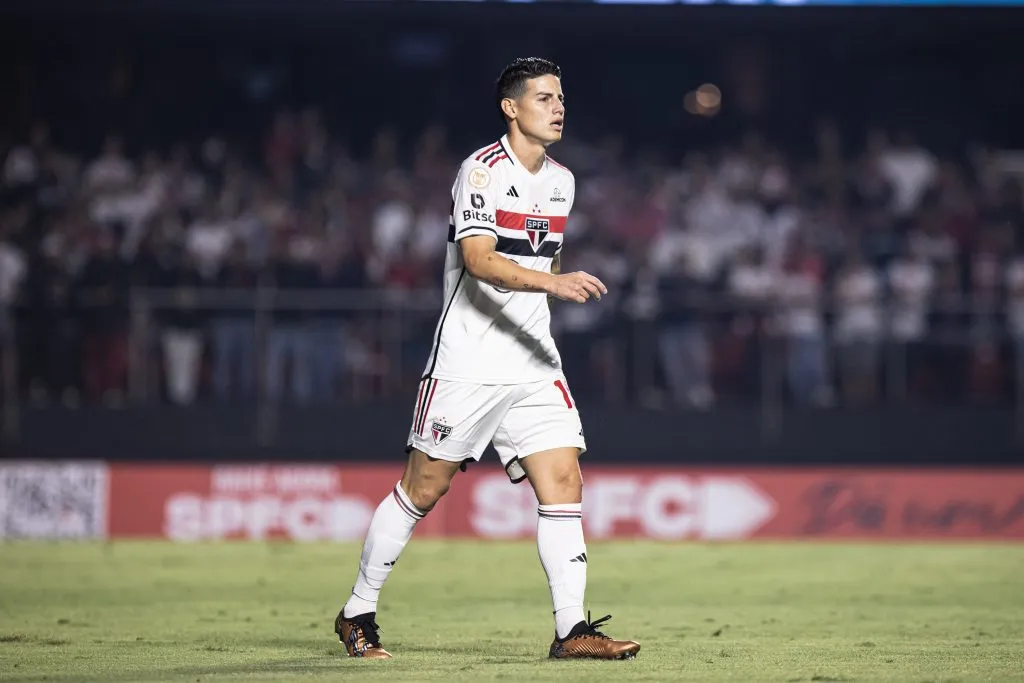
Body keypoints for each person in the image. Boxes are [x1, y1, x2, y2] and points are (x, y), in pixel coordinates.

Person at [334, 57, 640, 661]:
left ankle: (572, 631)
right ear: (511, 107)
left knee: (564, 480)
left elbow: (543, 260)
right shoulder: (480, 171)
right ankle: (357, 612)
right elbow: (478, 261)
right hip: (468, 362)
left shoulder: (563, 181)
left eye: (561, 97)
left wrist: (549, 289)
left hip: (533, 361)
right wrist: (553, 284)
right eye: (545, 97)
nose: (558, 107)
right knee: (423, 488)